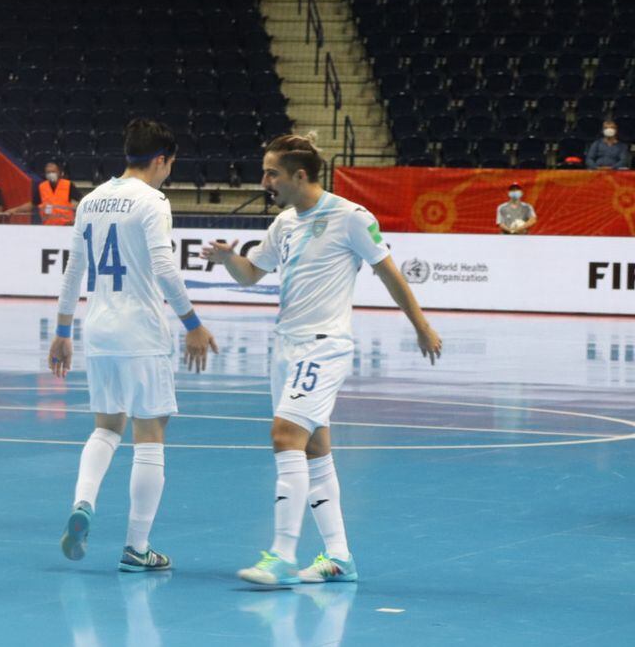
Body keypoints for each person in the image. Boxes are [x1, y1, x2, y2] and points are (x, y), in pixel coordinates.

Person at [200, 134, 442, 587]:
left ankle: (282, 554)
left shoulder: (351, 217)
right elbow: (251, 275)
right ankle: (339, 557)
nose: (264, 181)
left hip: (324, 346)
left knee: (285, 436)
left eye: (272, 173)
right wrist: (229, 259)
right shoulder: (284, 223)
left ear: (299, 175)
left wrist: (421, 326)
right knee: (314, 449)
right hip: (285, 347)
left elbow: (388, 273)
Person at [48, 118, 217, 571]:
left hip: (99, 330)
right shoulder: (153, 201)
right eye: (170, 165)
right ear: (160, 159)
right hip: (141, 331)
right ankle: (136, 548)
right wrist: (192, 323)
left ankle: (83, 502)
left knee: (106, 427)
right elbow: (164, 267)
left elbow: (73, 271)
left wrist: (62, 331)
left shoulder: (91, 200)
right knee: (150, 435)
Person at [15, 160, 76, 226]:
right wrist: (14, 210)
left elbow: (81, 201)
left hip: (66, 227)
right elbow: (33, 204)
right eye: (48, 172)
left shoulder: (68, 185)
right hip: (48, 227)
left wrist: (76, 219)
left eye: (53, 172)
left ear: (59, 173)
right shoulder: (42, 187)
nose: (51, 174)